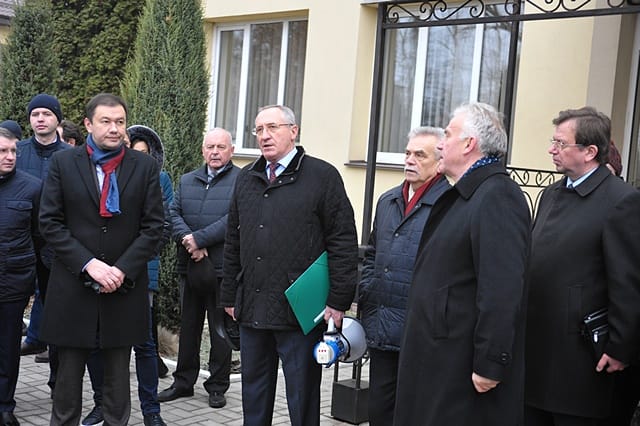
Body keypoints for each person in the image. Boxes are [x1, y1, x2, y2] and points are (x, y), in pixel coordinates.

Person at [220, 105, 359, 426]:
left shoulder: (322, 176)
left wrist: (338, 301)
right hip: (253, 305)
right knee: (254, 395)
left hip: (300, 309)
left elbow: (342, 241)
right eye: (259, 129)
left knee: (302, 397)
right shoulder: (246, 178)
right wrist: (229, 296)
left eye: (273, 127)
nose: (264, 136)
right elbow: (233, 240)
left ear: (293, 131)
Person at [394, 102, 531, 425]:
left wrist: (490, 362)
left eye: (448, 135)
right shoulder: (468, 193)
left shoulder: (497, 196)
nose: (440, 144)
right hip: (439, 355)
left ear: (470, 144)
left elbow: (501, 288)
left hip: (460, 366)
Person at [38, 93, 164, 425]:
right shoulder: (64, 164)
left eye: (120, 122)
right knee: (67, 390)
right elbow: (50, 222)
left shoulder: (144, 167)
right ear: (88, 124)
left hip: (122, 291)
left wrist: (121, 269)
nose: (114, 128)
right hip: (73, 289)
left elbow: (154, 227)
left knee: (117, 390)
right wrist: (89, 264)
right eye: (105, 121)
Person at [525, 106, 640, 425]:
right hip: (537, 349)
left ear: (590, 152)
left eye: (561, 143)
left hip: (580, 357)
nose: (552, 149)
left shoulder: (621, 200)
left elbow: (628, 282)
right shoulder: (550, 194)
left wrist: (620, 347)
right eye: (553, 141)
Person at [358, 126, 449, 426]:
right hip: (383, 326)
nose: (409, 160)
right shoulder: (388, 200)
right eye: (408, 153)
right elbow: (372, 251)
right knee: (379, 412)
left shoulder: (449, 205)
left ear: (440, 162)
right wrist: (368, 287)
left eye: (420, 155)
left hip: (421, 332)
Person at [81, 125, 171, 426]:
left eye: (143, 153)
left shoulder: (157, 178)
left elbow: (161, 227)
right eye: (132, 149)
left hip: (140, 273)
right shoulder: (100, 175)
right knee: (97, 340)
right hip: (101, 274)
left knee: (144, 344)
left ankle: (151, 410)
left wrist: (129, 264)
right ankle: (102, 404)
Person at [157, 128, 239, 409]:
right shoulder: (187, 179)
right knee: (189, 326)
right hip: (190, 266)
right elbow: (173, 213)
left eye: (221, 147)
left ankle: (217, 386)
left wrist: (200, 240)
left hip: (222, 269)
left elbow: (234, 219)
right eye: (210, 147)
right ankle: (183, 382)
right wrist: (188, 240)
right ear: (203, 150)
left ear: (231, 151)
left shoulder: (241, 181)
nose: (215, 152)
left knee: (219, 329)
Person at [17, 94, 70, 378]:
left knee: (57, 315)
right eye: (35, 114)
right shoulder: (16, 152)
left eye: (47, 114)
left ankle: (57, 382)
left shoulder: (71, 157)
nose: (40, 119)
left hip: (55, 248)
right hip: (20, 245)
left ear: (57, 119)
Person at [0, 127, 42, 426]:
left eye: (13, 150)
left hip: (13, 281)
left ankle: (5, 404)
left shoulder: (32, 188)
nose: (10, 156)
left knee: (8, 346)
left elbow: (40, 236)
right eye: (3, 151)